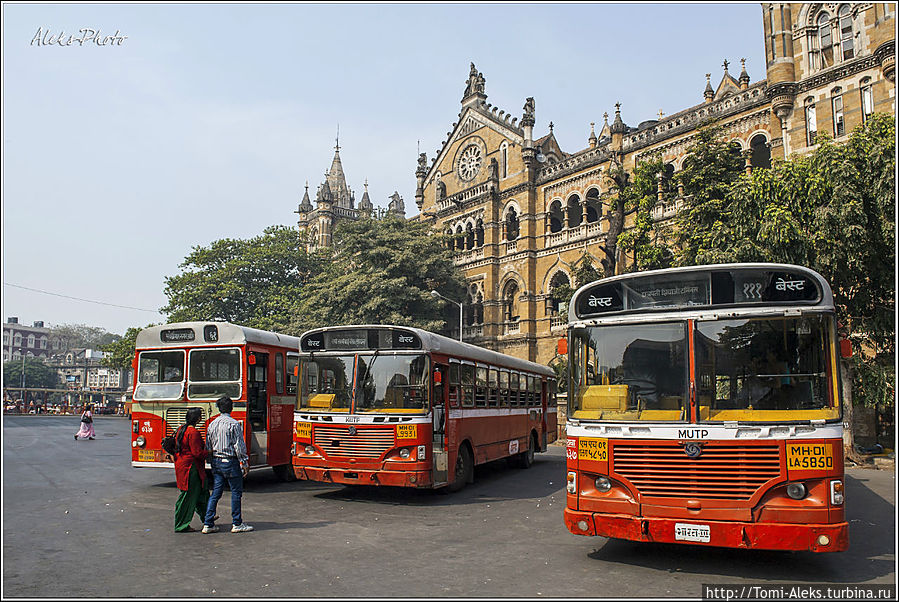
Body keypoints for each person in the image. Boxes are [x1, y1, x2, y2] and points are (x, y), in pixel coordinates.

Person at [202, 396, 253, 534]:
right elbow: (239, 446)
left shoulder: (212, 424)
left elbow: (208, 445)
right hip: (230, 461)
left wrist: (210, 459)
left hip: (216, 462)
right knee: (236, 492)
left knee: (216, 493)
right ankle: (237, 523)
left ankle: (208, 523)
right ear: (231, 408)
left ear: (218, 408)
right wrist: (245, 462)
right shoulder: (234, 424)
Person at [173, 408, 210, 533]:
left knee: (200, 493)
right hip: (191, 468)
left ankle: (207, 518)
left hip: (182, 465)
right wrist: (209, 452)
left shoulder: (181, 429)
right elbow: (197, 453)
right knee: (188, 495)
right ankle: (181, 524)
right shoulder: (193, 432)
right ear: (198, 419)